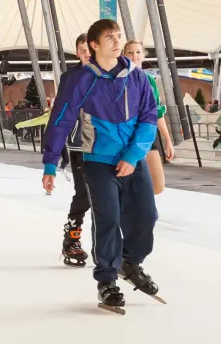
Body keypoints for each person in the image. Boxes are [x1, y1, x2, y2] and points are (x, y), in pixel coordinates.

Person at [42, 19, 161, 314]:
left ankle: (130, 263)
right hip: (97, 160)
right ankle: (107, 280)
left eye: (118, 36)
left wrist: (133, 157)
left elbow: (148, 119)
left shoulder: (138, 78)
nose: (117, 41)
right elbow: (61, 120)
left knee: (147, 217)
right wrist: (49, 163)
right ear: (93, 45)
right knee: (107, 219)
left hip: (133, 161)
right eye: (109, 37)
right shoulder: (80, 79)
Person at [52, 33, 93, 267]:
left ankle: (110, 244)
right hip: (79, 145)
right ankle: (72, 238)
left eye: (89, 48)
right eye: (82, 49)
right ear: (77, 52)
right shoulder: (71, 77)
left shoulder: (109, 74)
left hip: (107, 146)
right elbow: (61, 113)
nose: (86, 52)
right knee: (83, 193)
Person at [122, 40, 175, 195]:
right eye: (130, 52)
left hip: (147, 135)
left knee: (157, 185)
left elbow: (157, 112)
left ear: (143, 56)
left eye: (138, 52)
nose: (134, 56)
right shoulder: (119, 79)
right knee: (126, 182)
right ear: (124, 55)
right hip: (126, 136)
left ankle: (138, 210)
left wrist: (167, 139)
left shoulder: (149, 80)